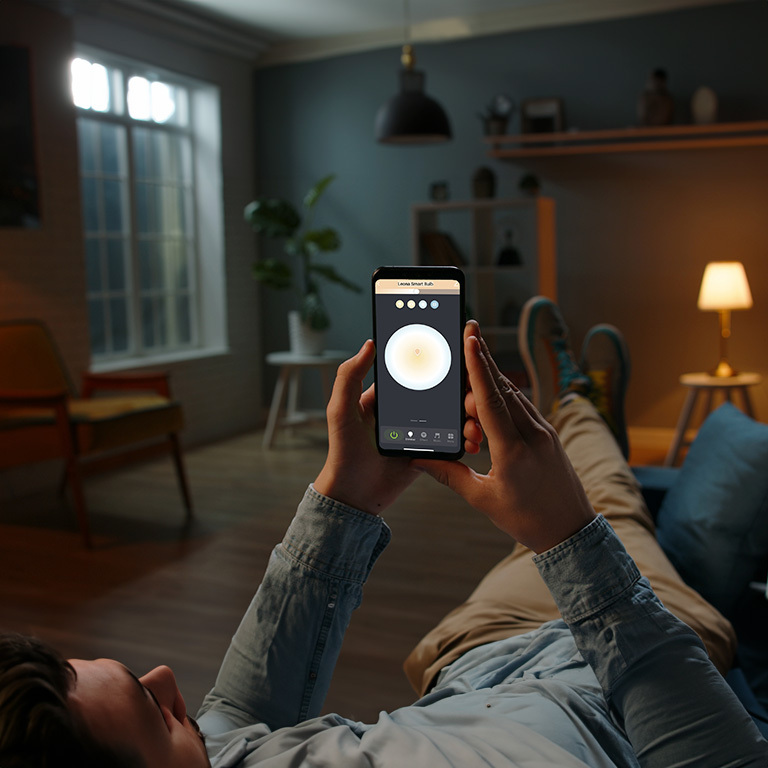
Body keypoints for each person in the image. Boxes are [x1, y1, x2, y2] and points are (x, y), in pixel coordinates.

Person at [1, 297, 766, 768]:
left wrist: (347, 496)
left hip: (472, 650)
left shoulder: (206, 755)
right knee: (606, 498)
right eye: (153, 713)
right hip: (634, 669)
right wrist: (568, 536)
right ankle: (579, 395)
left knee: (530, 488)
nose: (171, 680)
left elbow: (234, 716)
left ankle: (576, 407)